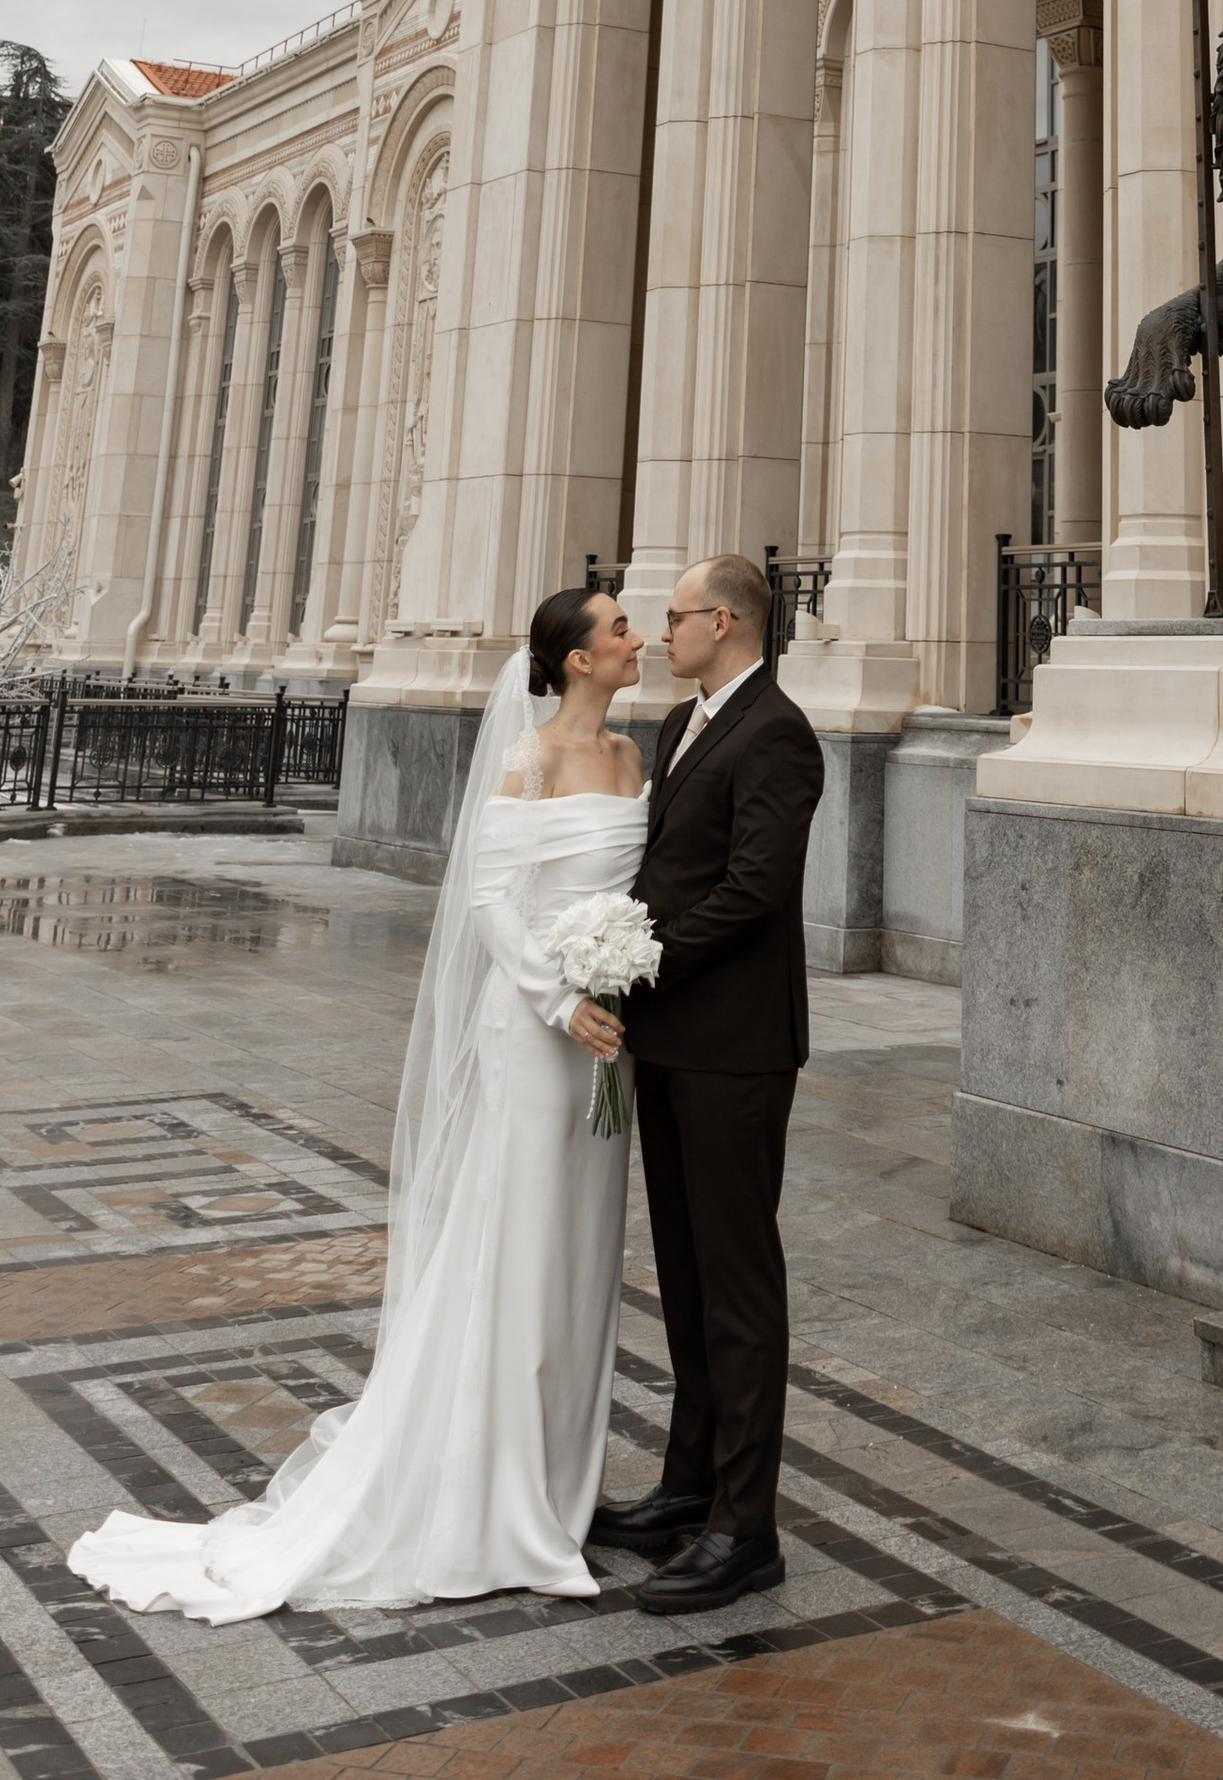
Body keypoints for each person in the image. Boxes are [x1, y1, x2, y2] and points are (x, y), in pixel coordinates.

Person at [65, 586, 648, 1619]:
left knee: (581, 1253)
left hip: (606, 1039)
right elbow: (489, 901)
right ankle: (491, 1500)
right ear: (574, 659)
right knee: (516, 1249)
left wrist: (615, 978)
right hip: (536, 1032)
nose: (635, 638)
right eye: (617, 628)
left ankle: (558, 1486)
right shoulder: (531, 758)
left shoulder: (632, 757)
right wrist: (560, 999)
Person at [593, 553, 824, 1614]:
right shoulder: (684, 723)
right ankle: (689, 1488)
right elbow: (670, 869)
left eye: (676, 616)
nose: (660, 633)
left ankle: (744, 1528)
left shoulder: (778, 732)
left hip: (737, 1048)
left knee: (737, 1288)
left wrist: (643, 957)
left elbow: (754, 889)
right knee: (685, 1279)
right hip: (672, 1039)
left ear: (723, 621)